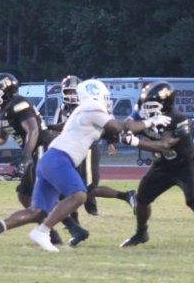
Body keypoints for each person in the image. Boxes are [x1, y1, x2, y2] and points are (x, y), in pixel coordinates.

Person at [0, 79, 175, 251]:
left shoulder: (84, 111)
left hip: (49, 158)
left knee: (37, 210)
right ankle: (43, 231)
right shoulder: (92, 107)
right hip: (59, 158)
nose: (107, 100)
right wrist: (150, 122)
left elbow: (115, 133)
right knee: (79, 194)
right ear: (97, 95)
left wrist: (138, 137)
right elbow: (121, 127)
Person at [0, 72, 85, 244]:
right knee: (24, 194)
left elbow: (33, 130)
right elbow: (1, 138)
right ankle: (54, 233)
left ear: (7, 90)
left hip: (42, 149)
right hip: (35, 152)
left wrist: (25, 156)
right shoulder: (5, 108)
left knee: (39, 196)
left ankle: (72, 229)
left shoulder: (19, 103)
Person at [120, 81, 194, 249]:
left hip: (187, 164)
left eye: (152, 105)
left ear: (165, 104)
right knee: (142, 198)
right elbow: (127, 126)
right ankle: (141, 233)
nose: (146, 109)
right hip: (163, 163)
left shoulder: (177, 118)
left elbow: (164, 145)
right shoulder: (143, 109)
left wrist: (135, 141)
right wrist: (148, 122)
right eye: (146, 103)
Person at [49, 75, 136, 220]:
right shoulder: (62, 109)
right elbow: (59, 129)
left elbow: (107, 126)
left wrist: (110, 142)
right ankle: (76, 217)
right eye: (68, 92)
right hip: (71, 150)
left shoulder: (88, 108)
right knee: (72, 185)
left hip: (88, 148)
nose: (71, 95)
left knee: (86, 188)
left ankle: (119, 199)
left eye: (73, 92)